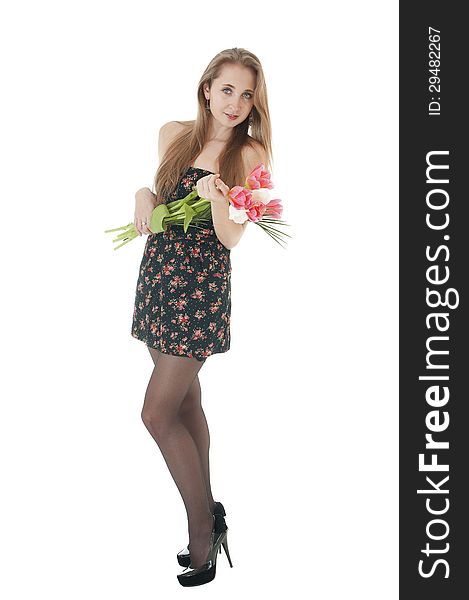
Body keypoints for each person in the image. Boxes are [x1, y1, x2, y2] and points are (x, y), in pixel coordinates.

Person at [130, 47, 273, 586]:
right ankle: (209, 515)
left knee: (155, 414)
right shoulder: (173, 134)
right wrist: (142, 193)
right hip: (159, 281)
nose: (236, 103)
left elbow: (233, 236)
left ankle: (201, 532)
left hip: (200, 291)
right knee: (185, 405)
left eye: (247, 94)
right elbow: (159, 195)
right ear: (207, 87)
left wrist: (218, 199)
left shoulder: (251, 154)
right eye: (228, 89)